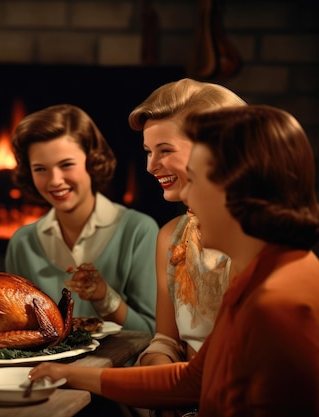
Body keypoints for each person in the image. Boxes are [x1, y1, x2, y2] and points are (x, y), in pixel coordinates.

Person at [28, 105, 319, 416]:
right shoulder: (255, 277)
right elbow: (193, 380)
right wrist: (69, 374)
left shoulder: (277, 305)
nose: (187, 199)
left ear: (236, 190)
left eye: (194, 180)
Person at [5, 104, 157, 334]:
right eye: (40, 169)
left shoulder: (139, 231)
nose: (55, 180)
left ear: (92, 160)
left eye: (66, 165)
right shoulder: (22, 243)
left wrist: (105, 298)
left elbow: (151, 332)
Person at [128, 79, 246, 371]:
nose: (150, 166)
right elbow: (166, 340)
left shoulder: (256, 235)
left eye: (165, 150)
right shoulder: (171, 235)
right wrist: (157, 366)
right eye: (148, 151)